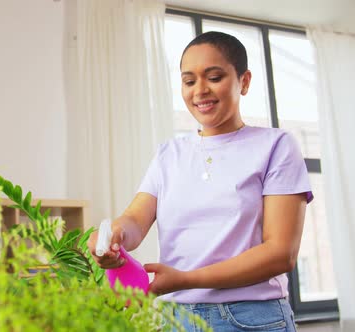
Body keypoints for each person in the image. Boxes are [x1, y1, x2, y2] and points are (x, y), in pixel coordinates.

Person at [88, 31, 313, 331]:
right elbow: (134, 220)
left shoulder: (276, 145)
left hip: (250, 318)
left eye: (214, 77)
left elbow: (280, 254)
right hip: (175, 319)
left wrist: (186, 279)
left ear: (244, 81)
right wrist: (113, 236)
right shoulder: (169, 154)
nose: (200, 91)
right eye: (189, 81)